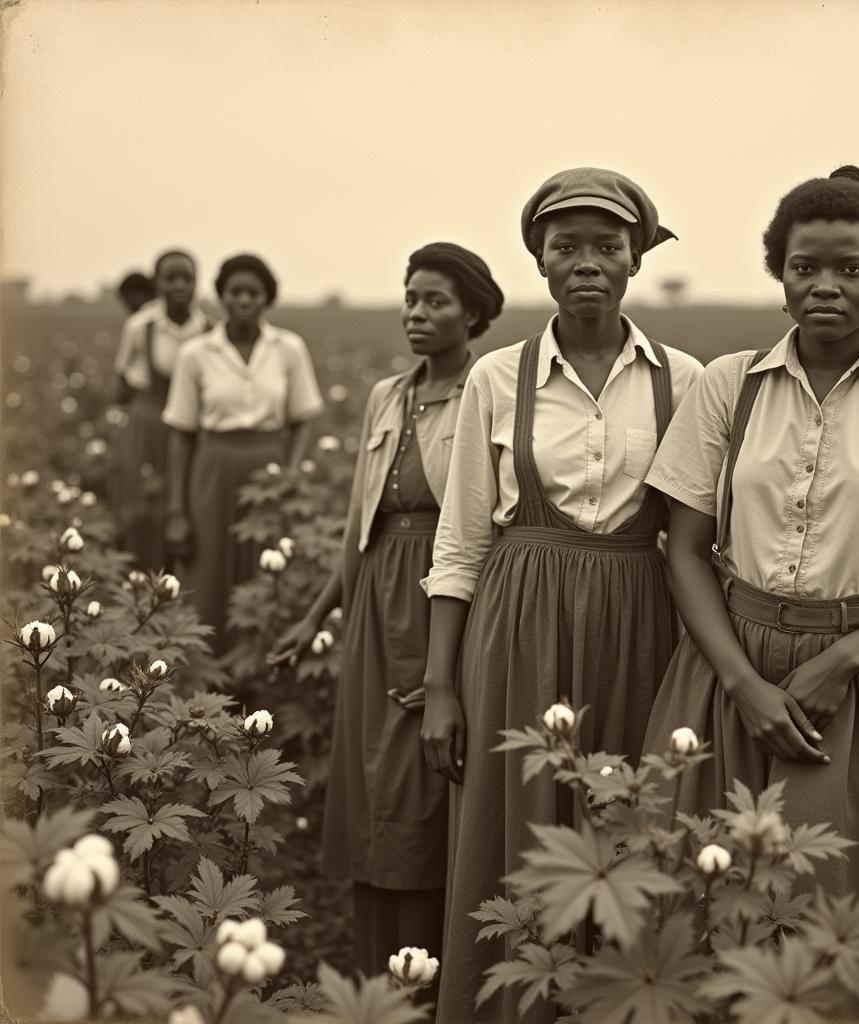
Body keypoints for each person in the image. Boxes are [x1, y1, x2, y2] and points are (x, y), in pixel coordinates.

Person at [641, 166, 859, 999]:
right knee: (706, 904)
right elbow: (685, 550)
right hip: (726, 671)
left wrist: (843, 663)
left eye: (852, 269)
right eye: (805, 267)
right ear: (781, 275)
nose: (826, 286)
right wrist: (744, 686)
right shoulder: (728, 387)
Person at [420, 168, 704, 1023]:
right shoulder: (497, 379)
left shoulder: (681, 379)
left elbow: (694, 536)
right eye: (566, 246)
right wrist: (440, 685)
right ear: (538, 261)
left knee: (626, 822)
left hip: (637, 618)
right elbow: (463, 537)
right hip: (521, 618)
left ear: (635, 258)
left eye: (607, 246)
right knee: (522, 820)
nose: (587, 262)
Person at [267, 242, 504, 992]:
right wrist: (314, 617)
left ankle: (427, 973)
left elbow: (479, 528)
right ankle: (375, 971)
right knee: (373, 778)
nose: (417, 313)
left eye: (435, 300)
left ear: (471, 312)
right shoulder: (386, 397)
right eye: (410, 298)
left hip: (438, 598)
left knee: (423, 781)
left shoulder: (485, 392)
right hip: (375, 601)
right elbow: (357, 525)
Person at [162, 253, 324, 656]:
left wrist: (291, 475)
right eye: (235, 292)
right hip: (213, 466)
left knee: (265, 567)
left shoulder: (288, 348)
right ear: (221, 297)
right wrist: (177, 510)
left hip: (268, 468)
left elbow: (303, 418)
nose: (244, 300)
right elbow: (181, 435)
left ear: (267, 299)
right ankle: (209, 669)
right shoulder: (196, 353)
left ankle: (260, 669)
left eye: (254, 292)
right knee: (208, 568)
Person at [112, 250, 211, 571]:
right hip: (150, 419)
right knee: (145, 501)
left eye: (187, 278)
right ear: (158, 283)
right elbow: (123, 376)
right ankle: (144, 576)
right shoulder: (141, 326)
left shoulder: (208, 328)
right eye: (171, 278)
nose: (179, 285)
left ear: (197, 282)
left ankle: (182, 577)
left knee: (188, 499)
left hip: (191, 425)